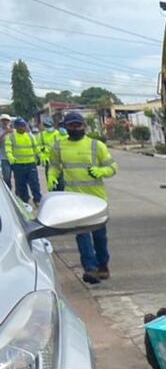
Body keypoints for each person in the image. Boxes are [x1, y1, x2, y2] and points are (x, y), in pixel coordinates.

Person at [48, 111, 118, 284]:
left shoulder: (96, 146)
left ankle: (102, 265)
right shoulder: (58, 146)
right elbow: (55, 166)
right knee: (82, 235)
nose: (75, 128)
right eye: (71, 125)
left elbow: (112, 167)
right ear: (65, 127)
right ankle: (90, 269)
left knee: (99, 236)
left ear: (84, 126)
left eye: (77, 125)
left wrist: (102, 171)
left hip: (97, 199)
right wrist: (52, 176)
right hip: (75, 200)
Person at [5, 117, 42, 207]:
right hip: (18, 165)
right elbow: (8, 149)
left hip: (30, 164)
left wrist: (40, 155)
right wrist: (10, 156)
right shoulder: (11, 137)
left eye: (24, 126)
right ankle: (25, 201)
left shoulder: (30, 136)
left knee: (34, 183)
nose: (22, 128)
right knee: (21, 184)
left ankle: (37, 200)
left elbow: (36, 148)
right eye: (20, 126)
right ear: (16, 127)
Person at [0, 114, 12, 190]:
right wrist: (4, 133)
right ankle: (8, 190)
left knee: (18, 177)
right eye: (3, 120)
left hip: (14, 158)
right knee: (7, 177)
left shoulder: (13, 130)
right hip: (4, 158)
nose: (5, 122)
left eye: (6, 120)